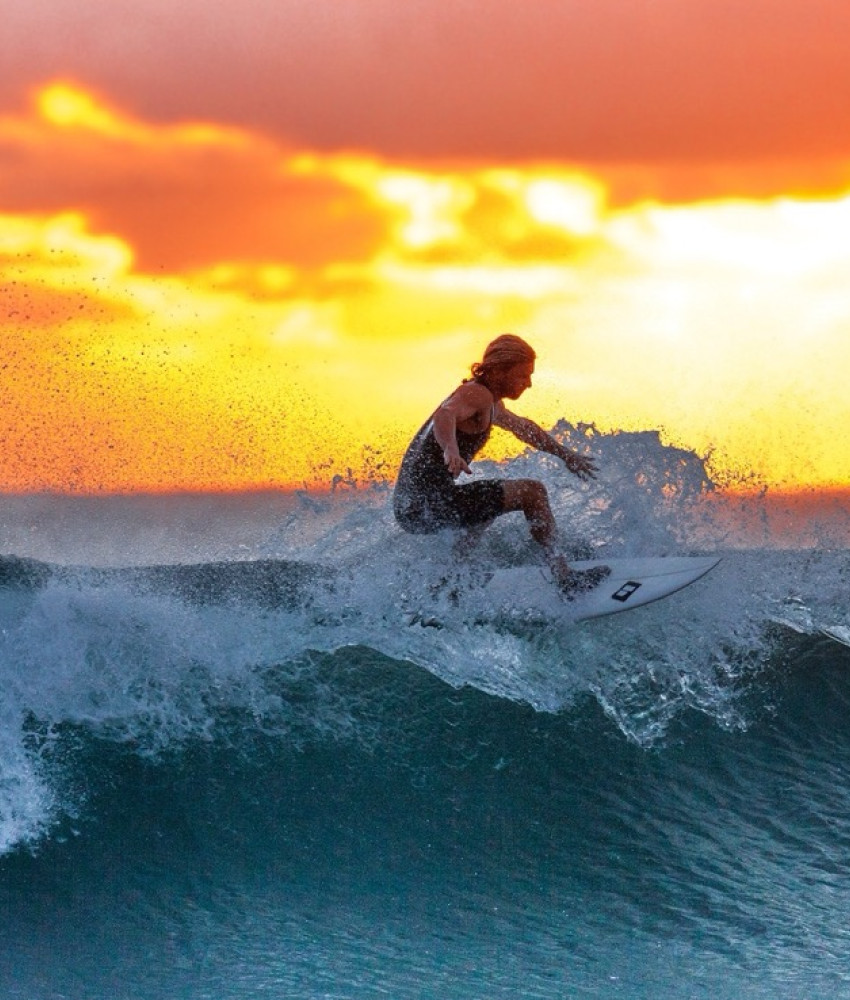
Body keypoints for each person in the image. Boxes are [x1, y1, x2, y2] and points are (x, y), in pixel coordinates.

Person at [393, 333, 610, 597]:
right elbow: (445, 413)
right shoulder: (476, 394)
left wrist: (565, 455)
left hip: (413, 508)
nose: (528, 384)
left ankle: (449, 584)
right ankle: (564, 577)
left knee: (490, 504)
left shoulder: (490, 402)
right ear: (498, 371)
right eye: (522, 375)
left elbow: (524, 428)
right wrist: (450, 448)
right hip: (426, 504)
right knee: (533, 492)